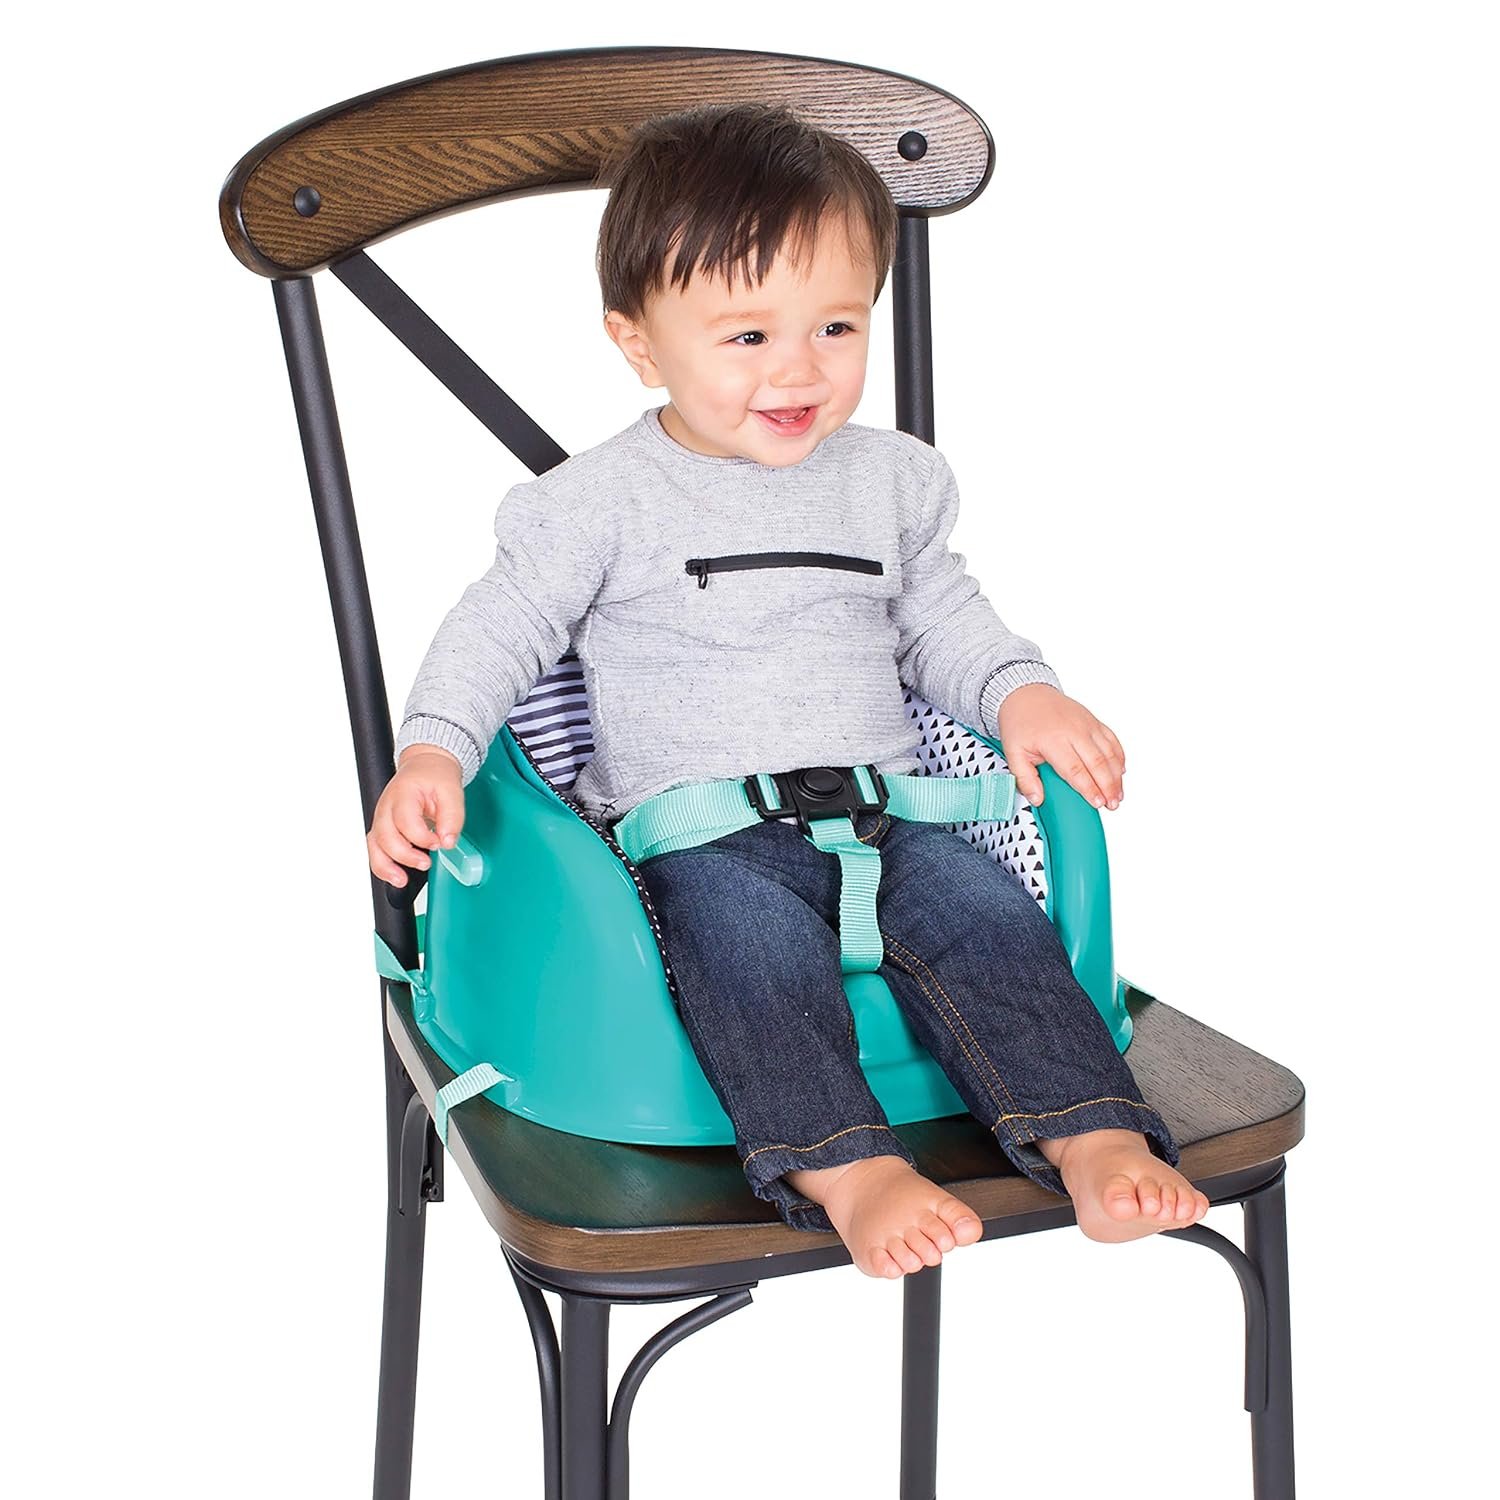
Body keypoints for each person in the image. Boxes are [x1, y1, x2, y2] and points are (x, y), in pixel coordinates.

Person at [366, 102, 1210, 1279]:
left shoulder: (891, 482)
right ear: (639, 343)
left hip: (892, 817)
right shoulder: (596, 505)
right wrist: (432, 751)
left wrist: (1021, 693)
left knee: (993, 926)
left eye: (836, 325)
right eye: (748, 335)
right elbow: (495, 632)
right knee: (751, 957)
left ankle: (1092, 1132)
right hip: (702, 840)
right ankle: (845, 1166)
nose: (800, 369)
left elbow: (941, 620)